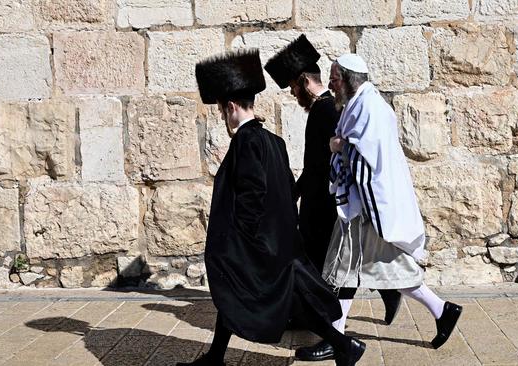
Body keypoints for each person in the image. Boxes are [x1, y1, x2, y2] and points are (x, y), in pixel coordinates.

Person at [176, 49, 365, 366]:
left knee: (244, 291)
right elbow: (286, 191)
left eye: (223, 112)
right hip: (279, 241)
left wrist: (243, 242)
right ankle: (216, 357)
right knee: (235, 295)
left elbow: (253, 193)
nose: (224, 118)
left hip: (260, 244)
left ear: (233, 107)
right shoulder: (273, 141)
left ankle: (343, 345)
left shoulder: (247, 142)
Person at [296, 54, 463, 356]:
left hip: (367, 208)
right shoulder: (358, 104)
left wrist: (338, 146)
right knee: (367, 271)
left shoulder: (369, 107)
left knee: (352, 270)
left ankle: (339, 341)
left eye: (334, 79)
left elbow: (364, 155)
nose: (331, 85)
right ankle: (441, 311)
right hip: (362, 207)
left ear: (347, 79)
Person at [265, 36, 402, 361]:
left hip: (326, 207)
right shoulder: (325, 109)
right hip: (316, 203)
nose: (292, 94)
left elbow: (335, 162)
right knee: (327, 267)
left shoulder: (328, 110)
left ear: (303, 82)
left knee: (328, 269)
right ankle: (386, 290)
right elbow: (314, 163)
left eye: (292, 87)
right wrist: (294, 194)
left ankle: (331, 331)